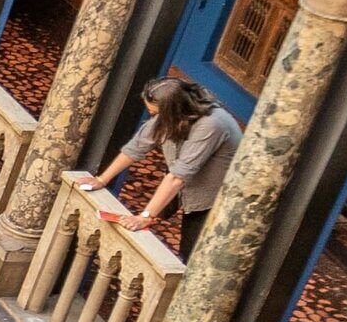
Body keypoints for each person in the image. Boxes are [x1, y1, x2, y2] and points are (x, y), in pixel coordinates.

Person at [88, 76, 239, 258]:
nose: (154, 119)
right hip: (185, 186)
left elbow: (178, 177)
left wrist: (145, 217)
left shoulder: (212, 124)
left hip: (213, 199)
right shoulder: (173, 112)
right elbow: (136, 147)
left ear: (172, 111)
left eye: (155, 114)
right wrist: (100, 180)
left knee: (192, 254)